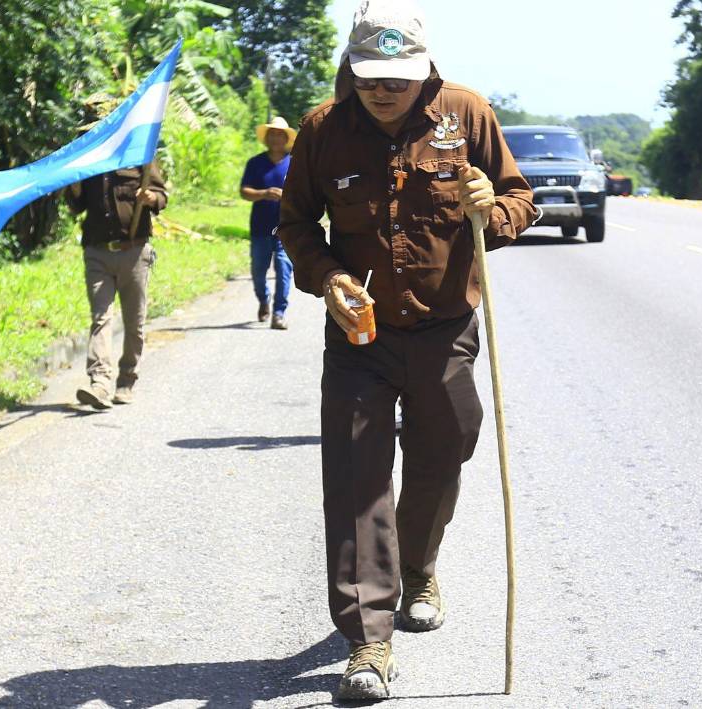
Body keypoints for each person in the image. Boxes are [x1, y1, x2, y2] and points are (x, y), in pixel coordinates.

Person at [277, 0, 536, 700]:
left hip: (446, 329)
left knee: (446, 446)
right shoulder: (323, 132)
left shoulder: (467, 114)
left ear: (423, 69)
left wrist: (496, 209)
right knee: (359, 479)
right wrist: (328, 277)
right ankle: (368, 642)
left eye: (397, 75)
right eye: (370, 75)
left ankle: (419, 565)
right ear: (351, 69)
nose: (383, 88)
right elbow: (296, 223)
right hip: (360, 336)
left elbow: (520, 197)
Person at [64, 161, 168, 410]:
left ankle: (126, 381)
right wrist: (70, 182)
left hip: (134, 252)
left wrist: (151, 197)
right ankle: (99, 383)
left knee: (135, 322)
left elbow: (162, 197)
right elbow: (77, 207)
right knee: (101, 317)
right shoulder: (92, 157)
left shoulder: (139, 154)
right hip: (97, 252)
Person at [240, 117, 296, 329]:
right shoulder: (255, 163)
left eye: (280, 134)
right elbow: (244, 192)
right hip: (260, 228)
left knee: (284, 269)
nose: (275, 138)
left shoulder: (295, 163)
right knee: (258, 271)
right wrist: (264, 193)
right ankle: (264, 299)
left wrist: (287, 196)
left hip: (287, 228)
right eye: (272, 134)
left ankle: (279, 313)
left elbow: (304, 193)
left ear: (286, 138)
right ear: (266, 138)